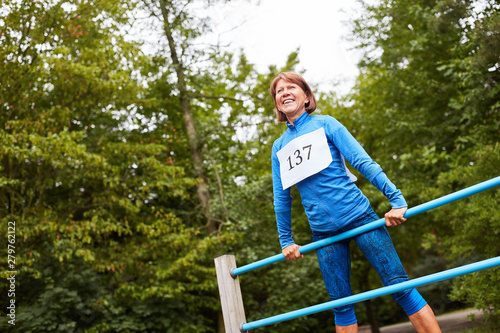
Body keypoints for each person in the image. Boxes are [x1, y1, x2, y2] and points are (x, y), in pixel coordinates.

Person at [270, 72, 441, 332]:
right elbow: (281, 198)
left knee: (400, 289)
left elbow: (362, 162)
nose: (284, 93)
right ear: (277, 104)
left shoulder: (326, 124)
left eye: (290, 87)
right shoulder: (279, 147)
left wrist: (397, 200)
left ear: (306, 96)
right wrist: (286, 240)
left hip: (359, 218)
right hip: (324, 233)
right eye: (278, 91)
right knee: (341, 306)